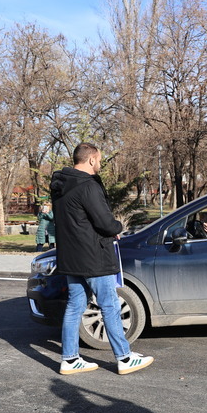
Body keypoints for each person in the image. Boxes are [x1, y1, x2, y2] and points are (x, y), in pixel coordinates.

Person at [50, 143, 153, 376]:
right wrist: (117, 227)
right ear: (91, 160)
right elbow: (105, 223)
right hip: (94, 256)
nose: (100, 164)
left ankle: (70, 359)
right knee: (110, 305)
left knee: (75, 306)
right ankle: (124, 357)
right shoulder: (87, 186)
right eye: (99, 159)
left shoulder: (60, 187)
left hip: (71, 256)